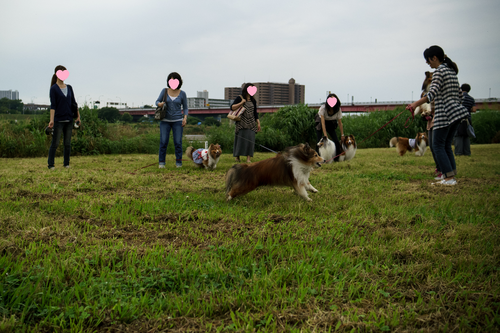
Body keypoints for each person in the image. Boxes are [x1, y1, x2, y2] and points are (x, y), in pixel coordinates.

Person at [407, 45, 469, 186]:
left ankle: (448, 178)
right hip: (457, 113)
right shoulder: (452, 72)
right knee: (446, 145)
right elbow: (460, 96)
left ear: (434, 58)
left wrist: (416, 103)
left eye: (428, 60)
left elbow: (431, 94)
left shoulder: (439, 72)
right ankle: (450, 175)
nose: (428, 63)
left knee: (438, 146)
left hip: (445, 113)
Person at [48, 65, 80, 170]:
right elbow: (53, 106)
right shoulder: (54, 89)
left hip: (69, 120)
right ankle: (51, 164)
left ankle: (66, 163)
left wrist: (78, 117)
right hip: (58, 120)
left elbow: (74, 103)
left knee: (67, 143)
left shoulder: (69, 87)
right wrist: (51, 120)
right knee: (55, 143)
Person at [156, 72, 188, 168]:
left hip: (178, 120)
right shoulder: (164, 91)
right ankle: (161, 163)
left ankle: (179, 163)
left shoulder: (182, 93)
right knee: (163, 141)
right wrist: (160, 104)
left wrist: (185, 118)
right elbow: (157, 101)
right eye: (171, 80)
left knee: (178, 142)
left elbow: (185, 107)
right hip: (165, 120)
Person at [230, 83, 261, 163]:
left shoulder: (253, 100)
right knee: (240, 140)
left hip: (251, 123)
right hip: (241, 122)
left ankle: (248, 158)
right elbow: (232, 107)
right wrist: (241, 102)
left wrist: (258, 122)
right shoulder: (240, 98)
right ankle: (237, 157)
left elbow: (255, 112)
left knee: (251, 140)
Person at [315, 93, 344, 162]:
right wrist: (325, 135)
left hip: (331, 123)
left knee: (336, 141)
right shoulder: (323, 108)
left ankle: (336, 158)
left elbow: (340, 123)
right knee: (319, 141)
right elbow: (323, 123)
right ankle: (317, 158)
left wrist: (342, 135)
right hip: (321, 122)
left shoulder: (338, 110)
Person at [454, 83, 477, 156]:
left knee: (458, 135)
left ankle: (459, 152)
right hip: (468, 119)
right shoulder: (471, 99)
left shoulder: (458, 97)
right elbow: (474, 110)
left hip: (459, 118)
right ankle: (467, 152)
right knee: (466, 135)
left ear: (461, 89)